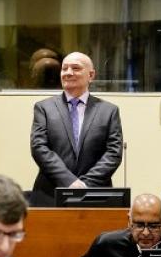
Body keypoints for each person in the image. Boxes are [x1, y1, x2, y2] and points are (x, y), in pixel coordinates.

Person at [29, 52, 123, 207]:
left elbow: (113, 153)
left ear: (91, 75)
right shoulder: (44, 108)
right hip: (50, 195)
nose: (68, 73)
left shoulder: (109, 111)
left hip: (96, 194)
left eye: (75, 68)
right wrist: (70, 181)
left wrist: (84, 185)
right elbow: (39, 148)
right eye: (64, 68)